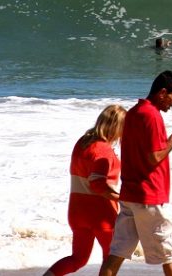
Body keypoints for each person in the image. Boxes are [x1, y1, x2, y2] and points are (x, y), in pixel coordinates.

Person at [99, 71, 172, 276]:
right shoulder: (151, 115)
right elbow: (154, 158)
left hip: (130, 194)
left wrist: (171, 137)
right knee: (169, 255)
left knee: (116, 253)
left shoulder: (134, 112)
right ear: (162, 93)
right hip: (148, 196)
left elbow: (145, 154)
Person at [43, 105, 127, 276]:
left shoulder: (82, 143)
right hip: (100, 213)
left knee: (78, 259)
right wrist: (124, 198)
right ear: (116, 126)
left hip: (77, 211)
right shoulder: (103, 149)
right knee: (111, 259)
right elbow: (98, 184)